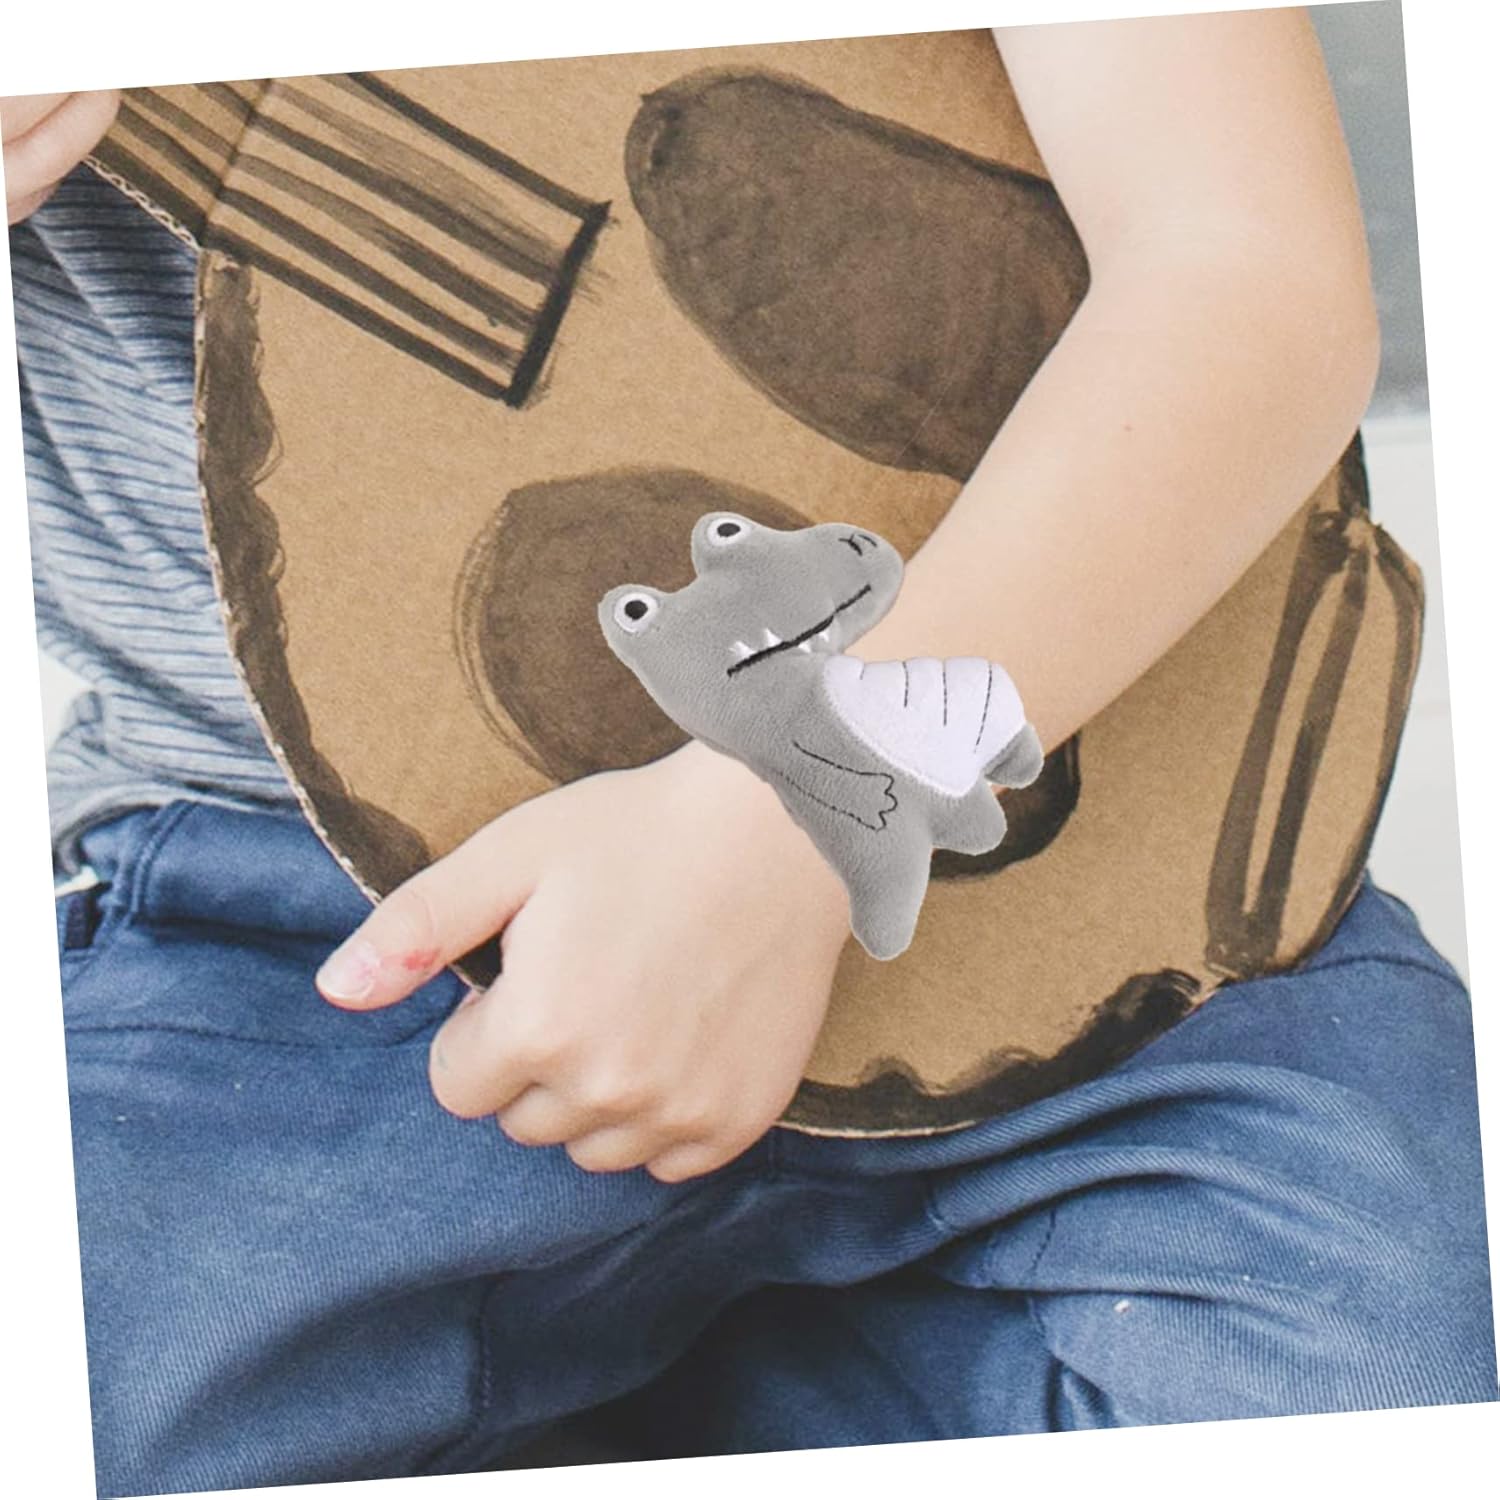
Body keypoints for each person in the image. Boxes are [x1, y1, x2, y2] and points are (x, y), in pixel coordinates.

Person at [7, 9, 1495, 1496]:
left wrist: (808, 796)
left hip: (1099, 861)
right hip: (283, 918)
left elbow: (1247, 273)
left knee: (1373, 1421)